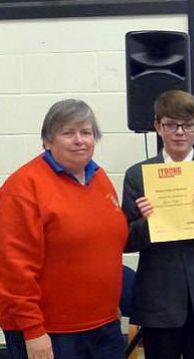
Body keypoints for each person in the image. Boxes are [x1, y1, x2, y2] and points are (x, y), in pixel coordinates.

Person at [0, 99, 128, 358]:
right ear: (47, 141)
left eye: (86, 132)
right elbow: (14, 268)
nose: (79, 140)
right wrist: (33, 332)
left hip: (103, 325)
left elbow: (104, 245)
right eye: (68, 133)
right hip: (51, 332)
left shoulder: (99, 178)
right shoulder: (22, 188)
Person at [121, 90, 194, 359]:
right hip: (158, 299)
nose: (180, 132)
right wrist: (145, 222)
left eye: (188, 125)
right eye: (171, 124)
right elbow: (126, 241)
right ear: (158, 126)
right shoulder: (138, 174)